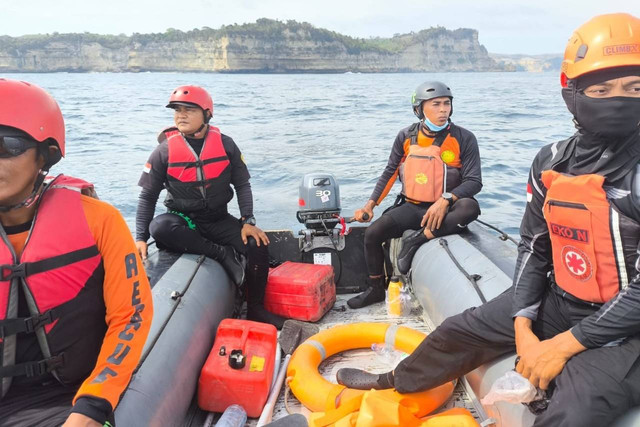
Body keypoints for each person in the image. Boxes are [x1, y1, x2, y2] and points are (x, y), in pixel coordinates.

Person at [337, 13, 640, 426]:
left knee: (578, 400)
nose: (617, 99)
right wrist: (522, 327)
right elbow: (534, 249)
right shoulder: (552, 161)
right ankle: (395, 379)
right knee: (459, 331)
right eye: (601, 88)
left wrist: (565, 346)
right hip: (564, 300)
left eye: (634, 87)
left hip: (632, 328)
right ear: (573, 91)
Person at [0, 79, 153, 426]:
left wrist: (92, 406)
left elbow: (131, 315)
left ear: (45, 153)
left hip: (68, 399)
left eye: (5, 145)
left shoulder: (99, 220)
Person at [135, 85, 286, 328]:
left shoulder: (226, 145)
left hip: (218, 219)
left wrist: (248, 221)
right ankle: (222, 254)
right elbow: (147, 197)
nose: (180, 115)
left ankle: (256, 308)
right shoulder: (163, 152)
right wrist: (140, 238)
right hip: (182, 220)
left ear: (207, 114)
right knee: (159, 227)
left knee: (257, 245)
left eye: (188, 110)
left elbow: (243, 185)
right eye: (176, 110)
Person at [347, 81, 482, 309]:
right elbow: (390, 172)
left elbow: (474, 181)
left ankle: (417, 239)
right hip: (413, 207)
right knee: (372, 234)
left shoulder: (464, 138)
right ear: (419, 109)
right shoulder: (405, 137)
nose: (443, 110)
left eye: (447, 104)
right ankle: (375, 290)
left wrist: (445, 199)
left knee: (470, 208)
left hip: (447, 209)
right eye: (436, 104)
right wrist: (370, 205)